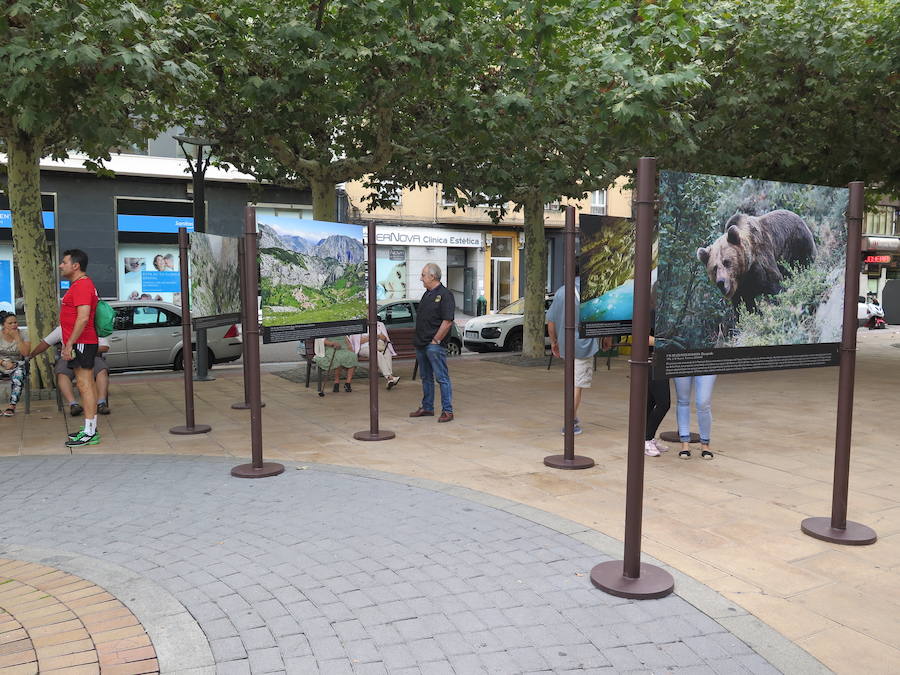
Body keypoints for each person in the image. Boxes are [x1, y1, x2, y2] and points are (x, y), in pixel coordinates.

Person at [546, 272, 608, 435]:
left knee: (571, 382)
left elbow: (550, 322)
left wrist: (554, 343)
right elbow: (603, 316)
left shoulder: (561, 292)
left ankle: (572, 418)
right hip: (584, 345)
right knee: (577, 385)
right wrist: (606, 337)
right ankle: (570, 422)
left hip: (566, 344)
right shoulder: (593, 290)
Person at [58, 249, 100, 447]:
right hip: (80, 342)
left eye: (64, 262)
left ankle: (90, 432)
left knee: (84, 385)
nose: (60, 265)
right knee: (85, 385)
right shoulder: (79, 285)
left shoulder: (83, 285)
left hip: (82, 342)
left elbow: (83, 318)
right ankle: (89, 428)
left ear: (75, 266)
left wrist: (69, 343)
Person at [28, 326, 111, 416]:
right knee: (62, 373)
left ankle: (101, 403)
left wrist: (86, 350)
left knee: (102, 370)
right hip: (69, 357)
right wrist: (32, 355)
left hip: (91, 356)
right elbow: (45, 343)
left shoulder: (93, 326)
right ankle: (73, 404)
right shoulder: (62, 327)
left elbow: (105, 347)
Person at [410, 263, 455, 422]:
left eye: (423, 275)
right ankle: (427, 407)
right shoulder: (427, 294)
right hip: (422, 343)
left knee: (441, 378)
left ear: (432, 276)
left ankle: (447, 411)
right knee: (426, 377)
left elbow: (448, 321)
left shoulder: (445, 294)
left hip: (434, 345)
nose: (421, 278)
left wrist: (436, 340)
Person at [644, 306, 670, 457]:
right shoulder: (650, 313)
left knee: (651, 402)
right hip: (651, 362)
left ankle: (648, 438)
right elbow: (644, 338)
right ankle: (647, 438)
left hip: (661, 361)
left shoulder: (665, 313)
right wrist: (666, 342)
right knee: (663, 403)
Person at [673, 375, 717, 460]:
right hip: (682, 363)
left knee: (703, 403)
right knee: (683, 400)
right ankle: (684, 443)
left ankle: (705, 444)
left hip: (707, 363)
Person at [348, 322, 400, 389]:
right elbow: (357, 341)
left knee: (387, 352)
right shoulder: (358, 325)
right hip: (364, 348)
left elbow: (385, 338)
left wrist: (374, 337)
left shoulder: (380, 324)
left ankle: (390, 379)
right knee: (376, 354)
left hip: (379, 346)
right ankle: (389, 377)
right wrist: (373, 337)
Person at [0, 311, 30, 416]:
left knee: (19, 374)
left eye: (15, 322)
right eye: (10, 323)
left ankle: (12, 406)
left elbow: (26, 353)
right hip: (1, 363)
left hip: (17, 364)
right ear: (3, 324)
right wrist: (3, 362)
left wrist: (17, 337)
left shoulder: (23, 334)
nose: (14, 325)